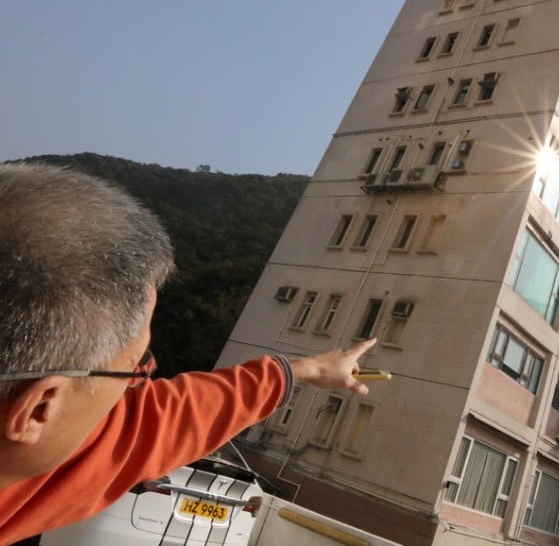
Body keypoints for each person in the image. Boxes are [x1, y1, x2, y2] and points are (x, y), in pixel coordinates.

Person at [0, 162, 377, 544]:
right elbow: (146, 427)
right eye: (135, 369)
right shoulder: (34, 472)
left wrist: (304, 370)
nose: (142, 384)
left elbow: (163, 417)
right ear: (38, 409)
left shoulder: (23, 452)